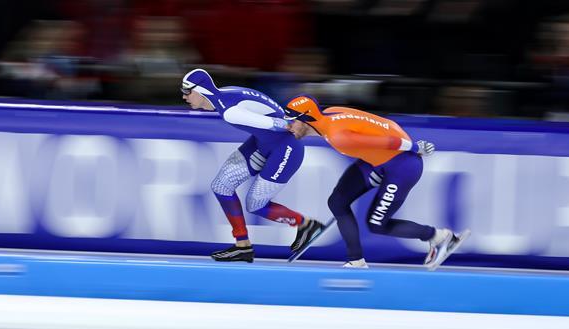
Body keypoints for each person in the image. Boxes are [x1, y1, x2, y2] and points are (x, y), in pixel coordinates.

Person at [283, 94, 467, 269]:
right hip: (378, 162)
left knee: (377, 224)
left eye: (291, 121)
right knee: (337, 202)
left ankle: (441, 237)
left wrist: (414, 146)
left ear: (306, 119)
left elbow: (386, 141)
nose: (288, 126)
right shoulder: (332, 112)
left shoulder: (338, 136)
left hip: (402, 168)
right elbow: (386, 123)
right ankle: (356, 262)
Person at [181, 69, 325, 263]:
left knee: (255, 205)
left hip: (285, 150)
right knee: (221, 186)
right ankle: (243, 246)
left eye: (187, 91)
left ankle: (306, 225)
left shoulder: (230, 112)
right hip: (264, 143)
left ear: (200, 91)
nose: (184, 96)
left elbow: (281, 124)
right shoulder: (225, 93)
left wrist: (326, 132)